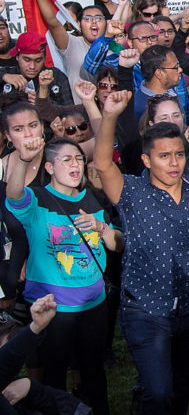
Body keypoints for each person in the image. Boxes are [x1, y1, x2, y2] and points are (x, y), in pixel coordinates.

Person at [93, 90, 189, 415]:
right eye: (164, 156)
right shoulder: (132, 192)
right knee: (159, 391)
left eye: (179, 154)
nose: (174, 163)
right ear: (147, 160)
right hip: (146, 310)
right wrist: (109, 115)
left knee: (180, 391)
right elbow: (102, 164)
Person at [5, 137, 121, 415]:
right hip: (53, 307)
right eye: (66, 159)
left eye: (79, 158)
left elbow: (117, 244)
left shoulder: (94, 197)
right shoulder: (37, 200)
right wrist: (22, 159)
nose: (75, 164)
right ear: (49, 166)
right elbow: (13, 195)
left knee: (93, 369)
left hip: (93, 303)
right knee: (54, 373)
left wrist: (102, 227)